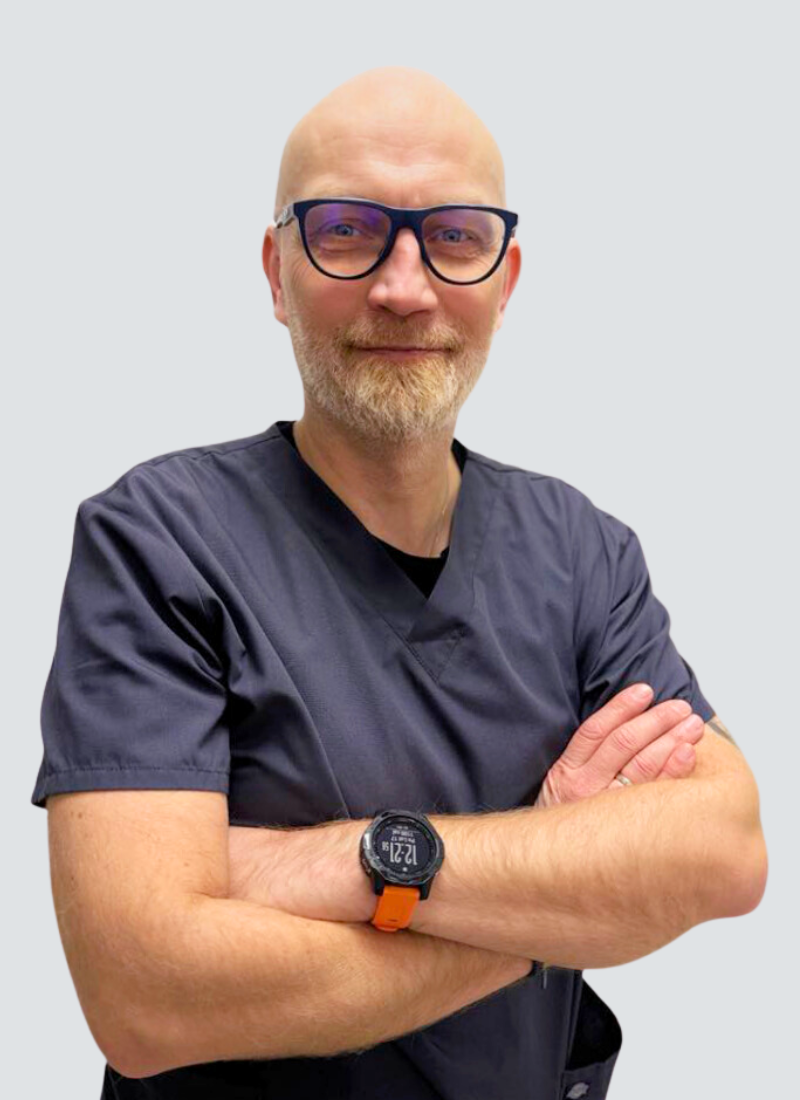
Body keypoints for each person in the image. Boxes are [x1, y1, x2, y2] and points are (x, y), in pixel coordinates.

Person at [31, 66, 766, 1100]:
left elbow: (725, 849)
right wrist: (567, 888)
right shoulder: (158, 541)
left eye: (455, 237)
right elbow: (145, 996)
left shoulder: (582, 554)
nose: (403, 287)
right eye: (345, 230)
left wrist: (352, 864)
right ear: (275, 271)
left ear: (505, 282)